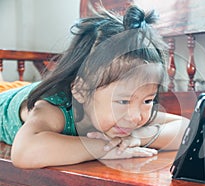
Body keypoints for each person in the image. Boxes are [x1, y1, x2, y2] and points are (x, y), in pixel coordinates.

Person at [0, 5, 189, 169]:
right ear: (81, 91)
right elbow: (24, 152)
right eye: (122, 101)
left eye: (148, 100)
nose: (136, 116)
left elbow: (185, 127)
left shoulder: (129, 111)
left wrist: (137, 137)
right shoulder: (54, 108)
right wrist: (103, 148)